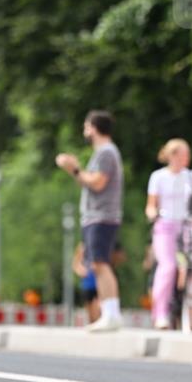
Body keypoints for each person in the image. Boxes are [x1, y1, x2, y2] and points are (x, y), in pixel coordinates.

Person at [56, 110, 124, 331]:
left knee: (101, 264)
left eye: (86, 127)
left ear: (94, 128)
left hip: (102, 216)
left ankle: (112, 314)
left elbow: (97, 183)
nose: (84, 131)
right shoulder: (102, 153)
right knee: (97, 264)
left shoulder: (106, 153)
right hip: (96, 217)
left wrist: (74, 169)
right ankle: (108, 314)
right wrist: (76, 171)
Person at [145, 139, 192, 329]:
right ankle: (161, 314)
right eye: (184, 154)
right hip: (165, 224)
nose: (187, 158)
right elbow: (151, 205)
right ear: (173, 155)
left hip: (187, 223)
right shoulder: (158, 177)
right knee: (167, 266)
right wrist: (153, 214)